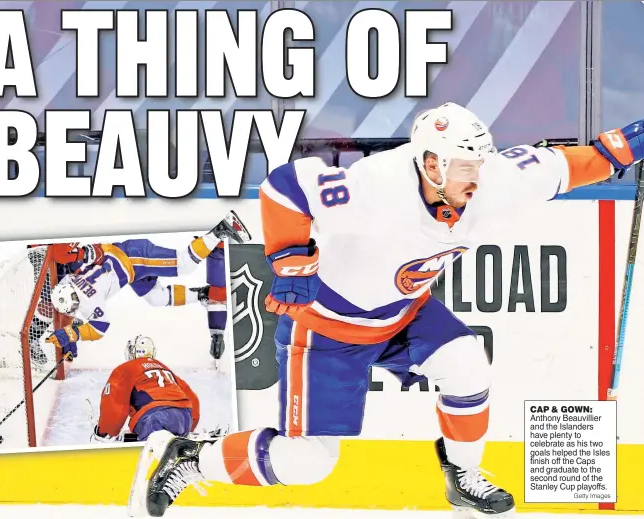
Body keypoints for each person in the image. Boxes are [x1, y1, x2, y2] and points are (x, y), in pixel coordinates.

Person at [129, 103, 644, 518]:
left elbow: (576, 163)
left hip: (402, 314)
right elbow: (284, 187)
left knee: (466, 362)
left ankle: (462, 475)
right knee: (308, 463)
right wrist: (288, 259)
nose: (479, 177)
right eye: (467, 166)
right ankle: (191, 459)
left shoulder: (499, 180)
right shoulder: (374, 187)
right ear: (432, 163)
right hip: (328, 331)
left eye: (481, 164)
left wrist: (623, 146)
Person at [44, 211, 250, 359]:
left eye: (73, 305)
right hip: (128, 270)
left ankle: (223, 228)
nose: (74, 308)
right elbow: (85, 259)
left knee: (184, 265)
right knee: (156, 298)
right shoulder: (68, 281)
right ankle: (203, 295)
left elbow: (100, 328)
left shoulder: (89, 301)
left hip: (135, 257)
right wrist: (72, 331)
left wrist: (74, 334)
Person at [90, 335, 200, 443]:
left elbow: (113, 405)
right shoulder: (164, 368)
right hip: (185, 417)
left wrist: (104, 433)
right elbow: (193, 399)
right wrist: (189, 426)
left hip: (154, 418)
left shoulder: (125, 369)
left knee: (154, 456)